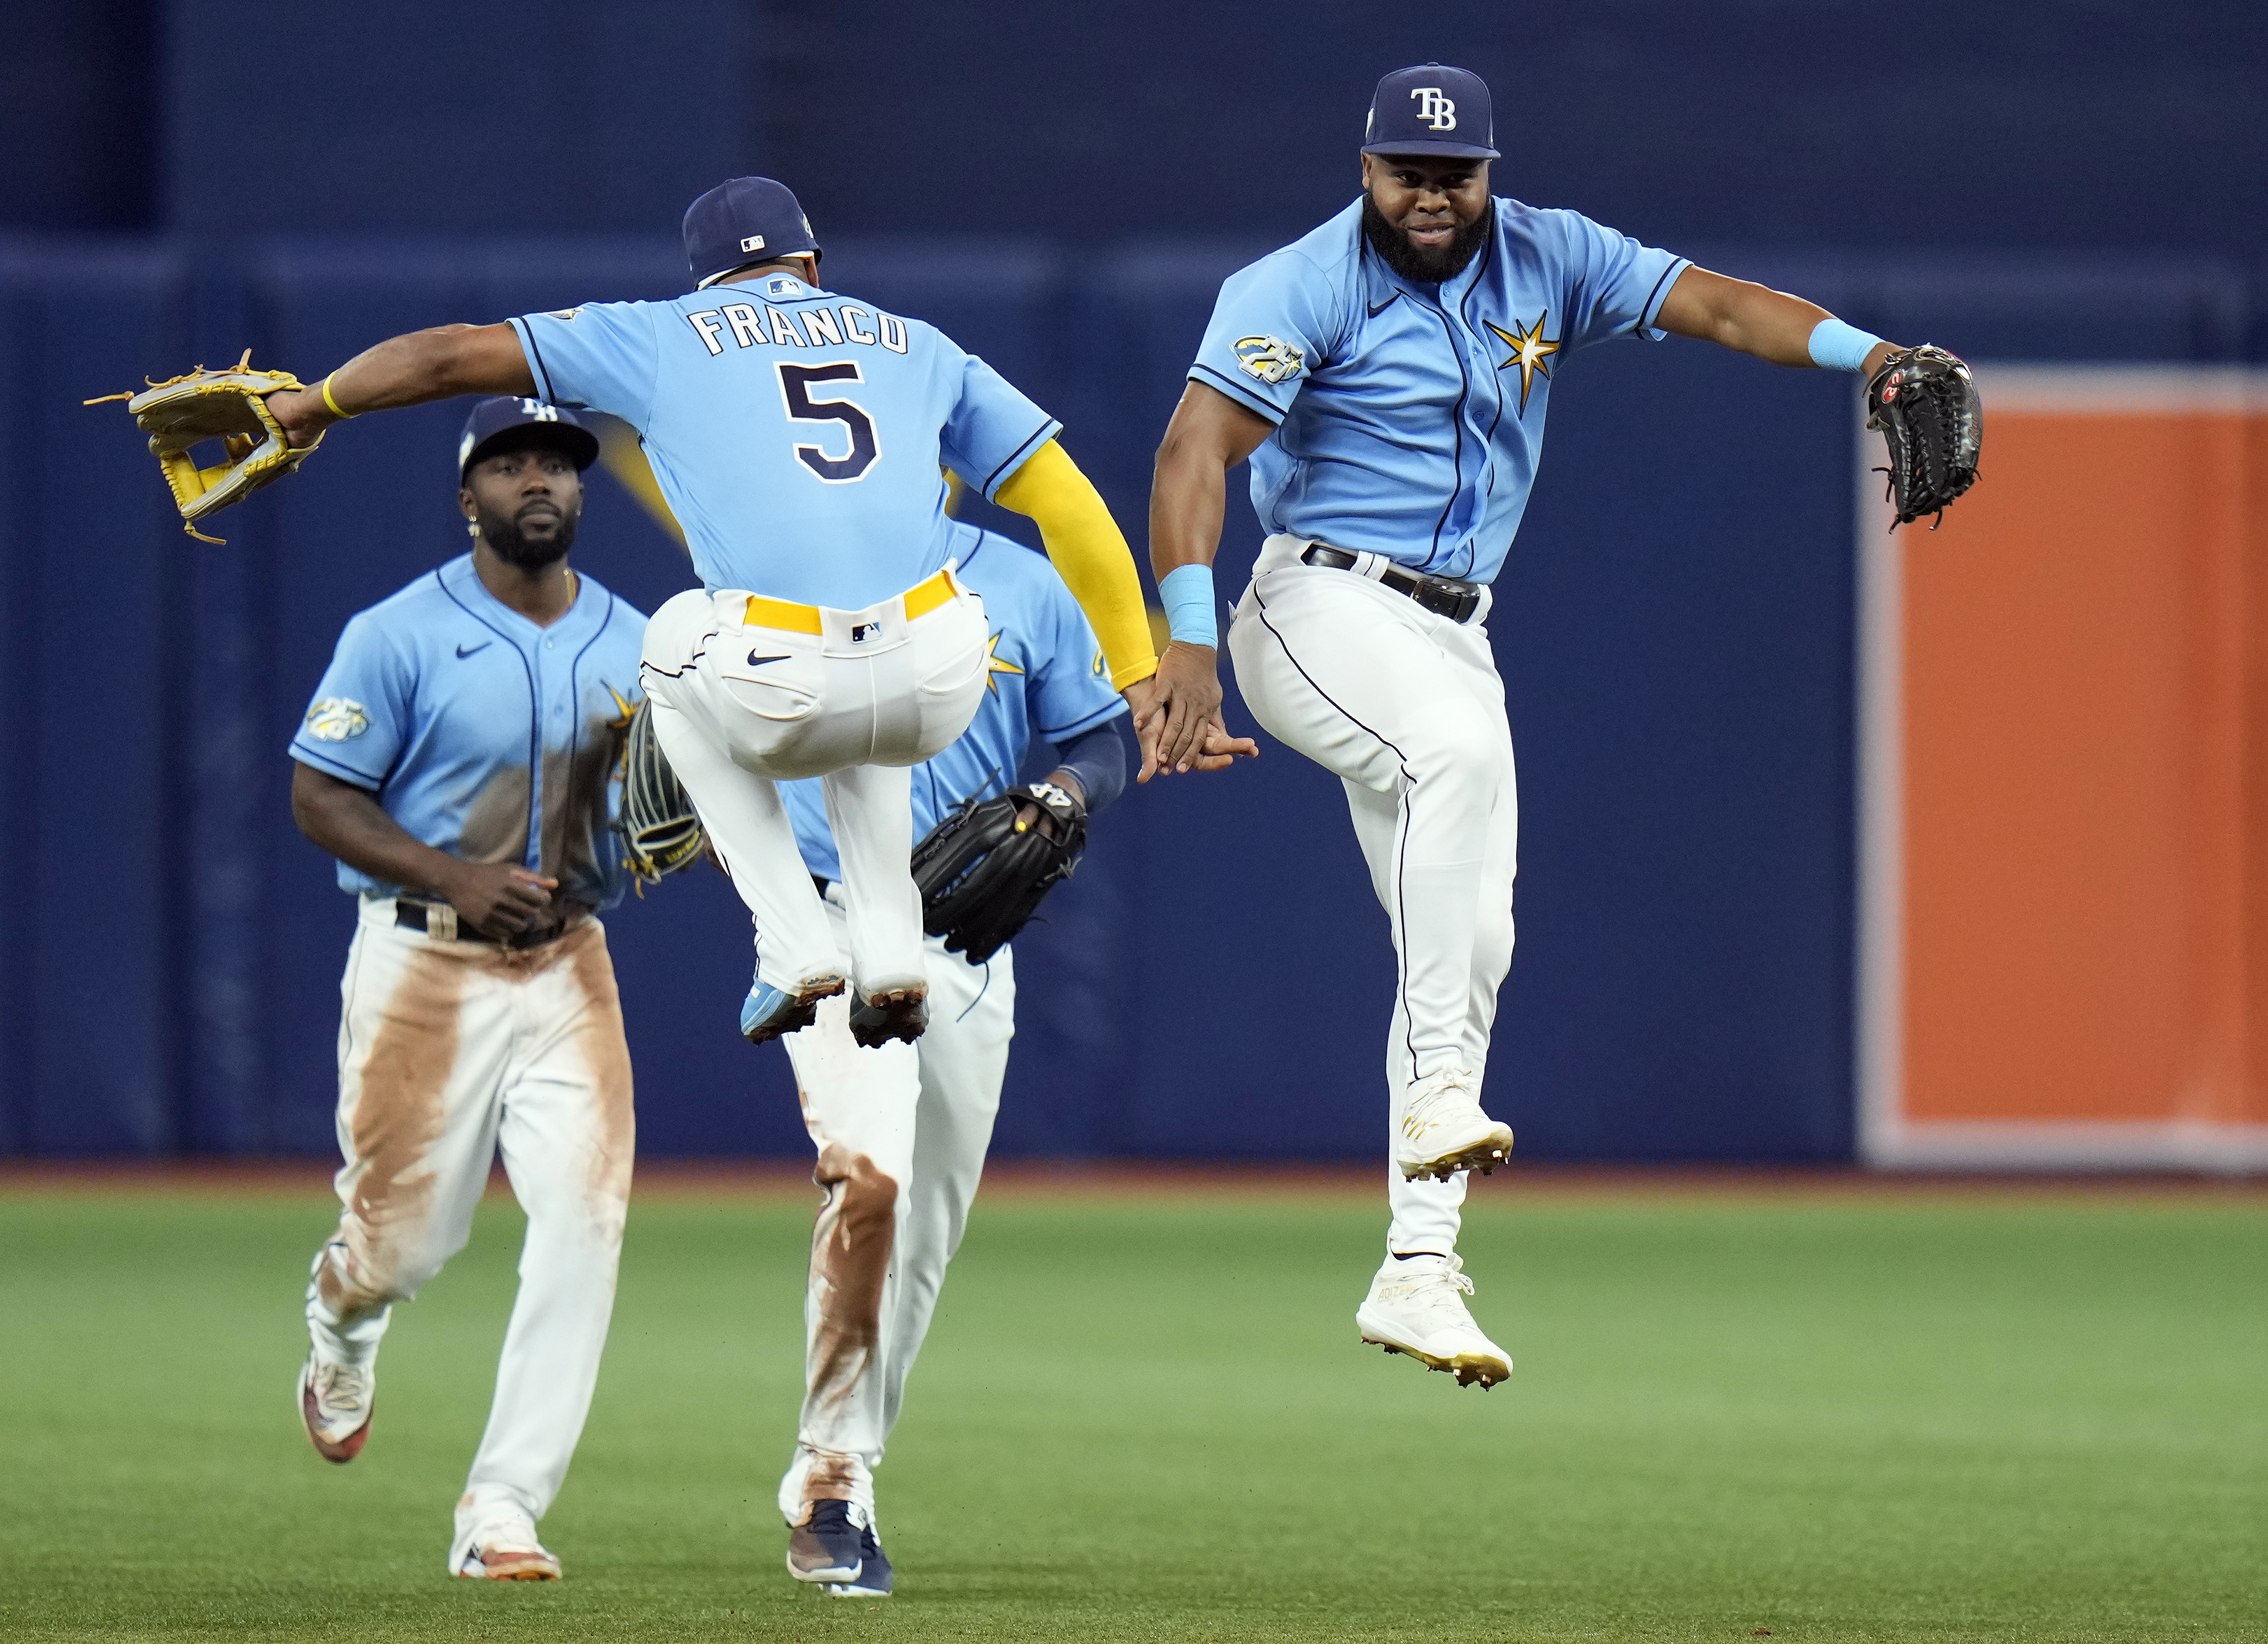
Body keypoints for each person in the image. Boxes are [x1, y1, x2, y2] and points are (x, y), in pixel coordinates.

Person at [1144, 64, 1969, 1387]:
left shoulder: (1552, 254)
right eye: (1406, 171)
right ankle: (1432, 1099)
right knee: (1449, 763)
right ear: (1365, 169)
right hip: (1313, 604)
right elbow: (1196, 449)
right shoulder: (1297, 285)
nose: (1430, 193)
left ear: (1490, 169)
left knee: (1476, 934)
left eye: (1454, 171)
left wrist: (1870, 354)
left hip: (1454, 634)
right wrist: (1184, 638)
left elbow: (1718, 304)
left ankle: (1418, 1266)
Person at [261, 176, 1243, 1063]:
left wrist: (316, 404)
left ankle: (794, 943)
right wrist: (1136, 668)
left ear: (701, 281)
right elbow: (1066, 501)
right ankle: (890, 951)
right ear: (813, 263)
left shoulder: (659, 333)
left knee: (671, 642)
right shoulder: (918, 341)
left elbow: (445, 358)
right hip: (941, 673)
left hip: (781, 683)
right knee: (876, 684)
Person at [288, 397, 649, 1581]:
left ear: (582, 494)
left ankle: (502, 1505)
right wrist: (458, 873)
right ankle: (345, 1318)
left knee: (585, 1222)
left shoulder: (643, 642)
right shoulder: (394, 633)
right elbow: (321, 794)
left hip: (567, 962)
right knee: (404, 1242)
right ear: (467, 499)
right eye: (508, 466)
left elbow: (669, 804)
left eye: (556, 464)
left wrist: (667, 835)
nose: (536, 481)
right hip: (423, 958)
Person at [770, 516, 1131, 1598]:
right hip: (832, 925)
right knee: (871, 1181)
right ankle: (836, 1478)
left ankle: (842, 1458)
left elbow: (1101, 739)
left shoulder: (1018, 584)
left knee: (925, 1230)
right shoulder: (779, 563)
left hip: (966, 941)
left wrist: (1062, 795)